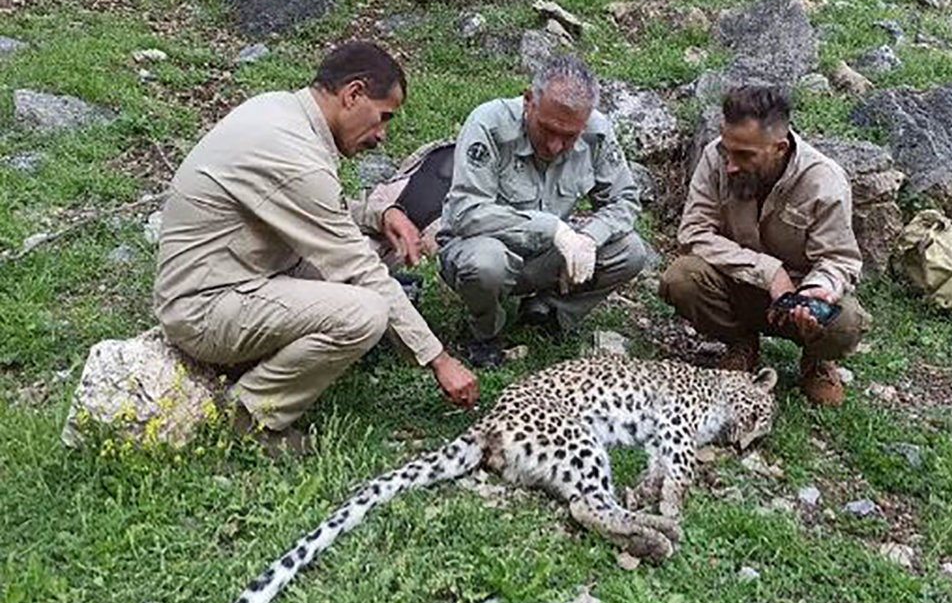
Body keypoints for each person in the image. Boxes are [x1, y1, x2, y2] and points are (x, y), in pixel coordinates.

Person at [153, 41, 478, 454]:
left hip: (240, 274)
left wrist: (380, 217)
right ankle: (249, 419)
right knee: (365, 311)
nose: (382, 135)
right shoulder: (295, 156)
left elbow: (319, 210)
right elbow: (357, 267)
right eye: (383, 118)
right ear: (353, 94)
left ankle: (262, 366)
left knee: (382, 244)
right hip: (204, 309)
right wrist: (439, 359)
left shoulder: (281, 112)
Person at [658, 85, 871, 406]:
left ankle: (816, 360)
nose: (730, 163)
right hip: (737, 283)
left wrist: (816, 290)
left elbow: (838, 259)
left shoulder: (824, 180)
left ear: (780, 148)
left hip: (797, 297)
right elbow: (693, 233)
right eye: (728, 149)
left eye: (745, 155)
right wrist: (769, 272)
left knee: (845, 323)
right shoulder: (715, 157)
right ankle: (741, 343)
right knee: (681, 279)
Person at [436, 55, 646, 368]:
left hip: (547, 258)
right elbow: (467, 212)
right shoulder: (489, 123)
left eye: (569, 136)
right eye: (547, 129)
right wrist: (552, 229)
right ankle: (484, 331)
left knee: (630, 251)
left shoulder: (597, 133)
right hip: (483, 251)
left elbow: (625, 200)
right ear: (529, 101)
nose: (554, 146)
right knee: (486, 264)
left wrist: (589, 237)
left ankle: (547, 312)